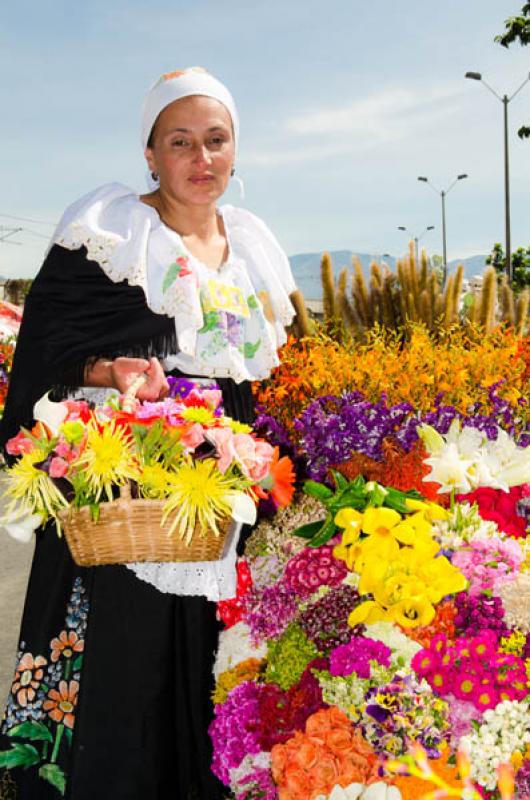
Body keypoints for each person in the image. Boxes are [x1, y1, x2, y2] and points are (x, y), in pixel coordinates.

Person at [0, 67, 298, 799]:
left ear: (236, 150)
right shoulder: (109, 236)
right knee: (124, 674)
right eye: (181, 142)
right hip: (132, 497)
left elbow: (258, 385)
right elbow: (44, 353)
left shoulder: (253, 245)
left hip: (225, 502)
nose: (202, 160)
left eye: (216, 141)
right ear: (151, 154)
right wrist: (109, 371)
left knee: (213, 674)